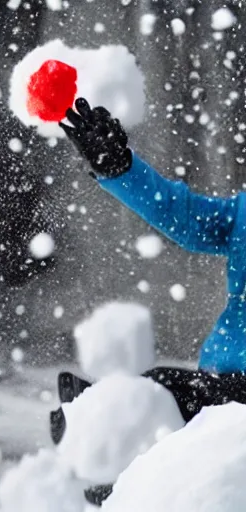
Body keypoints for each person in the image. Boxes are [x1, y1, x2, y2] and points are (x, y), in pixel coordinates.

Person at [50, 97, 246, 448]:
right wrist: (119, 168)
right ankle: (103, 434)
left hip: (230, 397)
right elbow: (183, 217)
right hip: (219, 377)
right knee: (156, 400)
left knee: (159, 397)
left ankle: (105, 430)